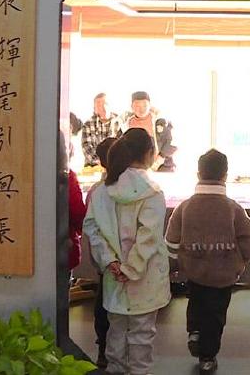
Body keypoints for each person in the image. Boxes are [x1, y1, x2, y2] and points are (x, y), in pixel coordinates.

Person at [82, 128, 171, 375]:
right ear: (149, 153)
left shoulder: (102, 190)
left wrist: (110, 261)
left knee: (116, 332)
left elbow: (91, 227)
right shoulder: (152, 192)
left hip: (112, 275)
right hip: (146, 278)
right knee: (142, 335)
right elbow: (149, 237)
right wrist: (130, 269)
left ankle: (115, 370)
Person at [165, 149, 250, 375]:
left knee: (196, 302)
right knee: (216, 314)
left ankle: (194, 331)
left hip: (194, 271)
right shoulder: (233, 208)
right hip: (223, 274)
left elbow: (171, 240)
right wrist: (240, 260)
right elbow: (249, 237)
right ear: (225, 175)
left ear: (198, 174)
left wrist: (175, 263)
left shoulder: (185, 207)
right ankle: (207, 357)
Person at [85, 136, 117, 370]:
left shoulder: (95, 190)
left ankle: (104, 348)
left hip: (104, 260)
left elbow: (89, 226)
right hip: (120, 259)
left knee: (103, 301)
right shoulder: (122, 189)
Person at [82, 92, 120, 166]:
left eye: (105, 104)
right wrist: (100, 162)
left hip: (115, 164)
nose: (103, 108)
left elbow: (122, 147)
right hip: (94, 165)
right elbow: (87, 147)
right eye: (99, 106)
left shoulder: (119, 122)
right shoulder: (88, 124)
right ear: (95, 109)